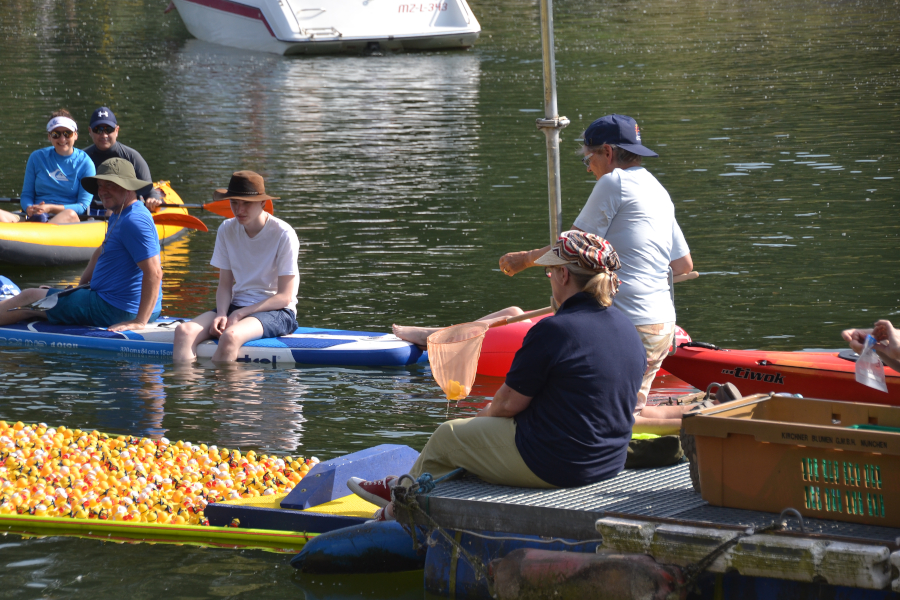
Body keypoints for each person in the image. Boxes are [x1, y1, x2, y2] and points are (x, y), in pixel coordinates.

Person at [350, 231, 647, 520]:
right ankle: (409, 484)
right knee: (479, 438)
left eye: (550, 272)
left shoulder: (555, 330)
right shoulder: (628, 329)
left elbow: (506, 405)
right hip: (609, 461)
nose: (550, 279)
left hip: (562, 465)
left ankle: (395, 508)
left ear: (564, 275)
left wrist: (478, 419)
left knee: (449, 437)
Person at [0, 158, 162, 332]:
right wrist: (80, 287)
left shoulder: (134, 220)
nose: (102, 192)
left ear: (129, 187)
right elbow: (102, 251)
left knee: (28, 297)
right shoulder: (121, 212)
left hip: (118, 309)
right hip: (116, 303)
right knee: (42, 292)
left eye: (110, 185)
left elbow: (154, 272)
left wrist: (140, 321)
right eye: (100, 186)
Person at [173, 171, 300, 364]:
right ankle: (189, 391)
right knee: (183, 332)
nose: (239, 209)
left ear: (263, 203)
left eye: (246, 203)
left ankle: (225, 393)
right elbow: (224, 284)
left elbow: (285, 296)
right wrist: (222, 313)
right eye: (234, 203)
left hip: (278, 312)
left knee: (230, 337)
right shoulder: (226, 228)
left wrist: (240, 313)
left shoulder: (284, 234)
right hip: (236, 306)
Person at [0, 109, 95, 224]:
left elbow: (82, 206)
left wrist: (50, 208)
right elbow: (26, 195)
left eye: (67, 133)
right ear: (49, 137)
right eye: (56, 134)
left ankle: (34, 234)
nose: (62, 139)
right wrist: (29, 208)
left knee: (70, 214)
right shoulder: (36, 157)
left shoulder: (85, 163)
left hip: (67, 218)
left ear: (75, 135)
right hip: (35, 216)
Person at [82, 106, 163, 213]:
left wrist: (153, 200)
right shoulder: (81, 157)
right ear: (90, 131)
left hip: (123, 211)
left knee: (111, 211)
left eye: (108, 130)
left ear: (116, 130)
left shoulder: (132, 157)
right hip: (89, 212)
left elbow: (149, 191)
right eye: (98, 130)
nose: (104, 135)